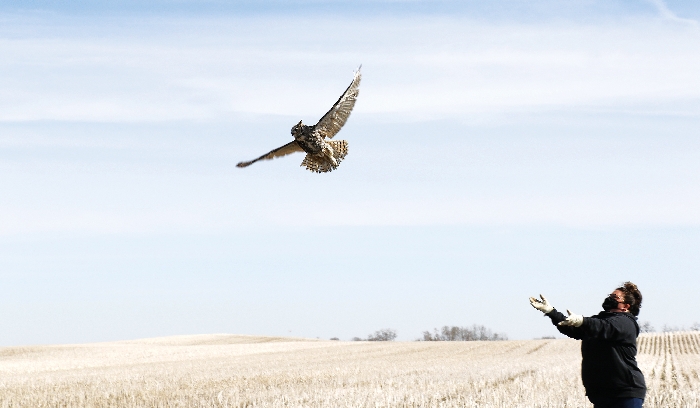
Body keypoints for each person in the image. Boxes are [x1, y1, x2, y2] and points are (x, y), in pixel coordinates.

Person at [529, 282, 646, 408]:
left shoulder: (626, 322)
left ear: (625, 306)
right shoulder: (600, 320)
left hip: (625, 393)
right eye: (610, 295)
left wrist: (583, 321)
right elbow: (573, 329)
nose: (610, 298)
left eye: (615, 297)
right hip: (602, 393)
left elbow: (603, 327)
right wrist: (551, 312)